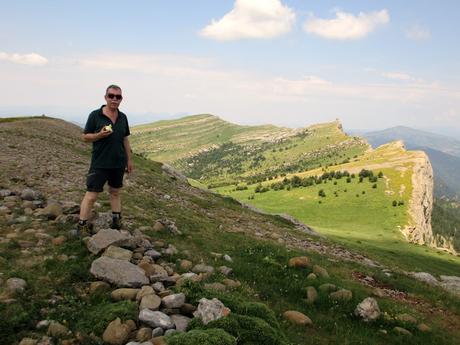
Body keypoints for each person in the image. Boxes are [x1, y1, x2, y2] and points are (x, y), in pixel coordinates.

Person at [77, 84, 133, 235]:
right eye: (111, 96)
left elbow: (125, 139)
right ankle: (82, 225)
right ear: (105, 97)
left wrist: (129, 160)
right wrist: (99, 135)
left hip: (118, 163)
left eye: (118, 97)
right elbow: (85, 137)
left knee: (115, 192)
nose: (114, 99)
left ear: (121, 99)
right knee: (92, 195)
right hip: (100, 163)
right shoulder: (95, 115)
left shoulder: (123, 117)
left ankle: (116, 220)